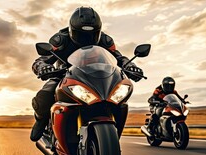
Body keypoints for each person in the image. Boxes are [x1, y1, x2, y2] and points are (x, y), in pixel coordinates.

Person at [30, 6, 143, 141]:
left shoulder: (106, 41)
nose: (87, 38)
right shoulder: (60, 40)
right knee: (44, 97)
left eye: (92, 34)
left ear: (98, 31)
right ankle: (41, 121)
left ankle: (110, 135)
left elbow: (118, 58)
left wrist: (131, 65)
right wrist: (43, 67)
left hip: (99, 77)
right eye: (81, 34)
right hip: (65, 76)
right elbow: (42, 59)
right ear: (72, 30)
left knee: (119, 96)